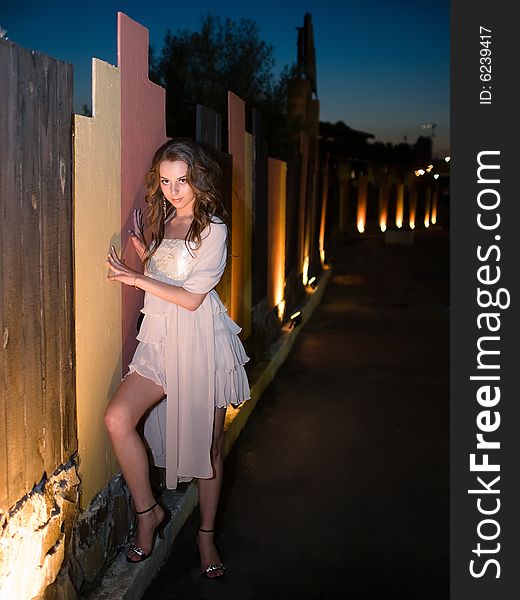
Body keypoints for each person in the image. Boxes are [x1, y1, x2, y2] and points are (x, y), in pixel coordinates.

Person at [104, 139, 250, 577]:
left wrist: (134, 278)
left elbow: (190, 300)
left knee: (208, 448)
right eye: (165, 181)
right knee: (117, 419)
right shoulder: (165, 220)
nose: (173, 189)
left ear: (199, 178)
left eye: (182, 180)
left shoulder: (215, 230)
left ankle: (206, 535)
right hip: (161, 343)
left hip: (202, 344)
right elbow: (168, 275)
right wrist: (144, 255)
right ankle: (149, 512)